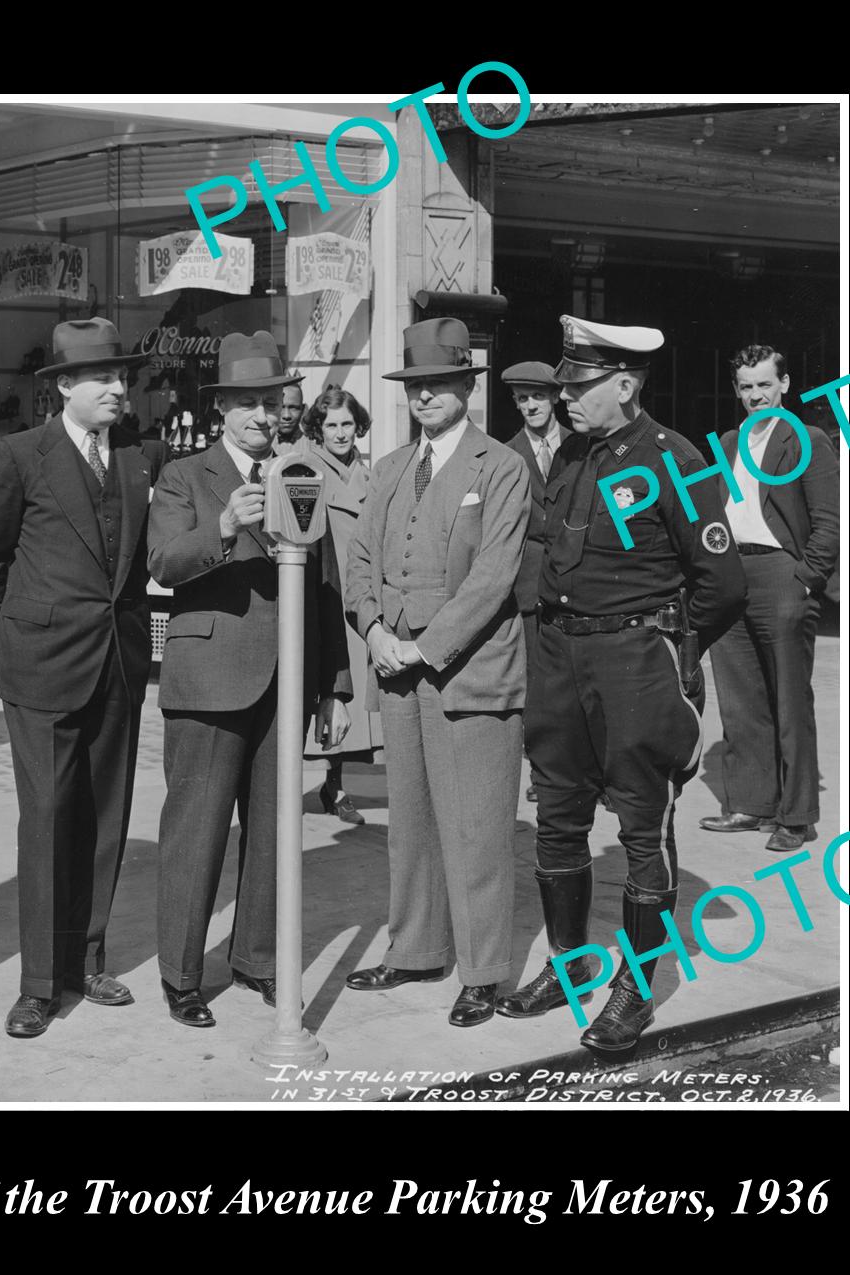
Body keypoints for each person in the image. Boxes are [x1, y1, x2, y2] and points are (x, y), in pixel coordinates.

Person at [497, 316, 746, 1053]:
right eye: (565, 384)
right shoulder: (571, 453)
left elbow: (721, 583)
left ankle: (634, 988)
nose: (564, 396)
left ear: (626, 385)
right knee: (559, 819)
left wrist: (666, 642)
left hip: (637, 663)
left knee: (643, 828)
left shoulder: (677, 457)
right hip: (560, 662)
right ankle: (569, 966)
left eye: (579, 385)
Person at [0, 318, 166, 1038]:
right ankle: (38, 984)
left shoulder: (139, 460)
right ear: (60, 387)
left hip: (118, 663)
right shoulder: (20, 455)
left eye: (123, 377)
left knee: (106, 820)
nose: (119, 389)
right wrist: (26, 627)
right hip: (43, 669)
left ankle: (89, 959)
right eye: (104, 378)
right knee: (48, 820)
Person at [148, 330, 351, 1029]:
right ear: (222, 409)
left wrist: (332, 686)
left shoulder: (303, 470)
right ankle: (180, 972)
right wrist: (228, 526)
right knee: (196, 829)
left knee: (273, 829)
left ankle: (258, 959)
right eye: (249, 403)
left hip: (285, 678)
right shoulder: (184, 475)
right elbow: (164, 563)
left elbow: (325, 585)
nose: (265, 415)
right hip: (209, 676)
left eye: (272, 401)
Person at [342, 319, 528, 1027]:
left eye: (440, 384)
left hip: (470, 671)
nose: (426, 396)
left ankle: (483, 970)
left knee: (478, 826)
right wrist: (375, 628)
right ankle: (416, 948)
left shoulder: (499, 466)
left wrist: (427, 644)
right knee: (411, 822)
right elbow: (358, 561)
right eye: (416, 386)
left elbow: (494, 575)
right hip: (397, 669)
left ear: (467, 387)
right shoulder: (388, 468)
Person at [699, 345, 838, 851]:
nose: (756, 395)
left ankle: (797, 816)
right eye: (746, 387)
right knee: (739, 699)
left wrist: (806, 578)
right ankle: (750, 805)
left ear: (783, 384)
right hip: (734, 575)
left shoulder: (809, 439)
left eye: (764, 384)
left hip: (783, 574)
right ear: (736, 391)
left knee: (790, 699)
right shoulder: (731, 441)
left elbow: (828, 521)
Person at [501, 361, 589, 802]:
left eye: (537, 396)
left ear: (555, 398)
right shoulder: (506, 453)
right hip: (532, 588)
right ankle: (543, 775)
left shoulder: (584, 445)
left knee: (583, 680)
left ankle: (590, 773)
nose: (530, 405)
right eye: (521, 398)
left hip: (580, 580)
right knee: (539, 685)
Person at [297, 386, 381, 824]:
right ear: (318, 428)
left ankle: (336, 784)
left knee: (351, 695)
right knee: (326, 686)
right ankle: (328, 784)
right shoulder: (305, 470)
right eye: (331, 424)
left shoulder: (369, 473)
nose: (341, 432)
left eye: (347, 423)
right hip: (325, 593)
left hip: (362, 594)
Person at [272, 379, 306, 456]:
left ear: (303, 410)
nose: (286, 416)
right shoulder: (258, 445)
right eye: (281, 407)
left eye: (293, 408)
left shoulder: (314, 448)